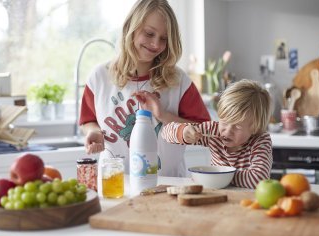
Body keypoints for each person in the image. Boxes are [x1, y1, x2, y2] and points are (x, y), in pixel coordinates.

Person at [79, 0, 210, 179]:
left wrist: (163, 115)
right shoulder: (99, 77)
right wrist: (93, 132)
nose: (156, 44)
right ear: (130, 28)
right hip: (115, 183)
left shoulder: (179, 82)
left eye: (163, 39)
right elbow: (88, 121)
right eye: (149, 33)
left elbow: (204, 131)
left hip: (168, 184)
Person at [161, 79, 272, 189]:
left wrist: (219, 176)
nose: (227, 131)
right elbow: (165, 133)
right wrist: (183, 132)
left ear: (254, 128)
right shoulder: (213, 130)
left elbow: (259, 179)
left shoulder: (260, 141)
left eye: (237, 126)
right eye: (224, 122)